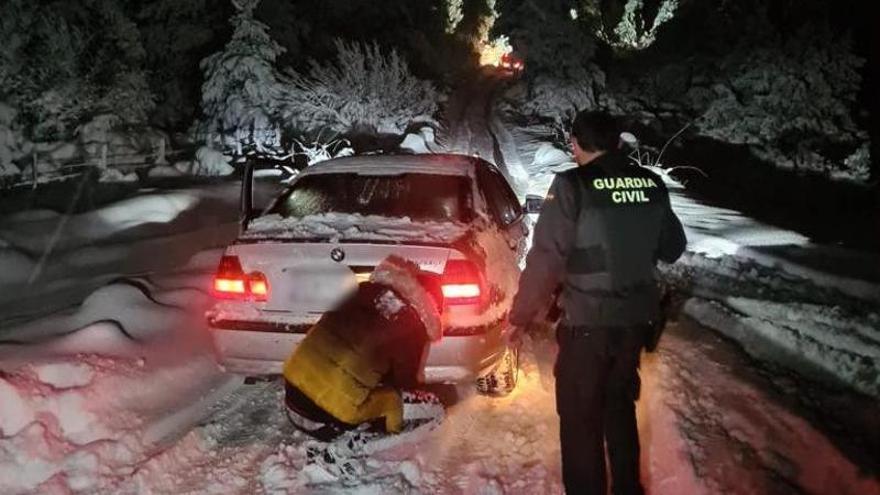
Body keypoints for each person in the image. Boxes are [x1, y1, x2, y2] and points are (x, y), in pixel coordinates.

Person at [509, 110, 687, 494]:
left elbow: (545, 260)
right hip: (634, 325)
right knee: (619, 408)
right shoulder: (651, 183)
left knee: (580, 420)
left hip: (587, 326)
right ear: (617, 142)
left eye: (572, 143)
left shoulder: (572, 186)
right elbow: (673, 248)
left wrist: (519, 317)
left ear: (575, 144)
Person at [282, 255, 442, 440]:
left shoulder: (362, 290)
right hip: (329, 419)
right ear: (431, 307)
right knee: (393, 400)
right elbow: (405, 383)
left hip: (292, 392)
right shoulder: (412, 326)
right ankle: (393, 439)